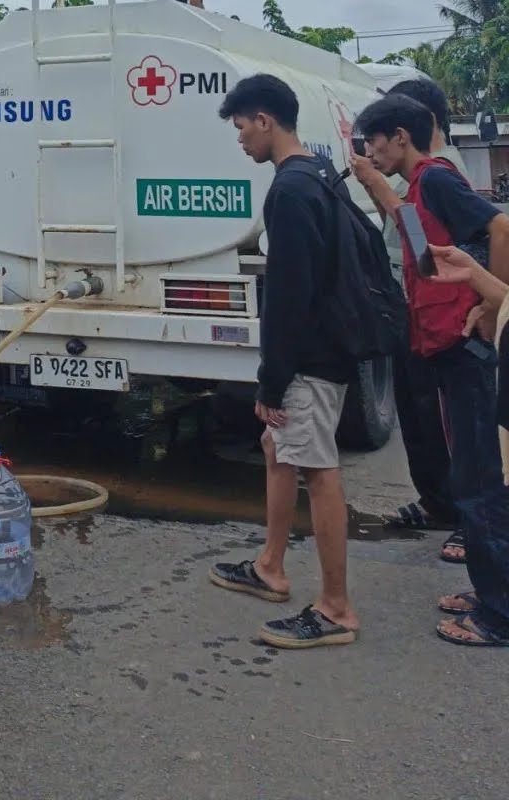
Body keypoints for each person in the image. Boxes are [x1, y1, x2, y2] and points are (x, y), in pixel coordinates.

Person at [208, 75, 360, 648]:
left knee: (318, 471)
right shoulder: (318, 172)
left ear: (265, 121)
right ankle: (270, 566)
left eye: (242, 126)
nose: (240, 138)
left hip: (311, 358)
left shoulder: (290, 192)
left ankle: (335, 610)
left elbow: (290, 297)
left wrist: (271, 381)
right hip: (325, 347)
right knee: (279, 448)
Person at [354, 94, 509, 646]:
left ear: (401, 136)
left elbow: (501, 228)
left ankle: (500, 615)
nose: (370, 150)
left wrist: (493, 305)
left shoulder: (437, 178)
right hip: (443, 347)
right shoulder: (419, 189)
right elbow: (421, 250)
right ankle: (493, 589)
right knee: (470, 473)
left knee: (477, 479)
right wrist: (376, 188)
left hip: (464, 349)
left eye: (374, 141)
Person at [355, 79, 465, 561]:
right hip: (412, 311)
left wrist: (489, 303)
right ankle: (438, 502)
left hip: (445, 321)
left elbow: (424, 245)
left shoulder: (443, 173)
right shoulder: (416, 175)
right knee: (417, 414)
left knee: (452, 424)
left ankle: (470, 518)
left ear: (411, 128)